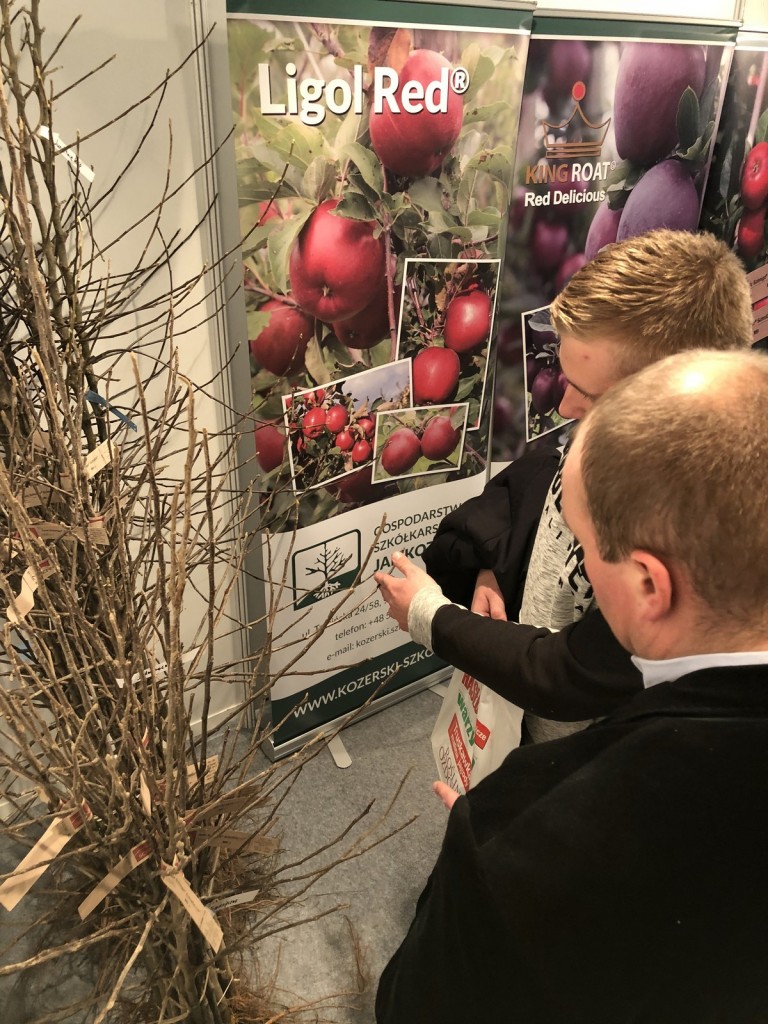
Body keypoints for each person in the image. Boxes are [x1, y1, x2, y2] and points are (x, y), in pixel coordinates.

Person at [375, 349, 768, 1024]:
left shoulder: (532, 838)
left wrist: (489, 857)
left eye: (585, 549)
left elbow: (411, 1004)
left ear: (648, 584)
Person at [380, 229, 754, 741]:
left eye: (590, 395)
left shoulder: (689, 546)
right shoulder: (613, 442)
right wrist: (496, 566)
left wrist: (429, 615)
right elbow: (538, 496)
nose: (564, 407)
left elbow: (570, 673)